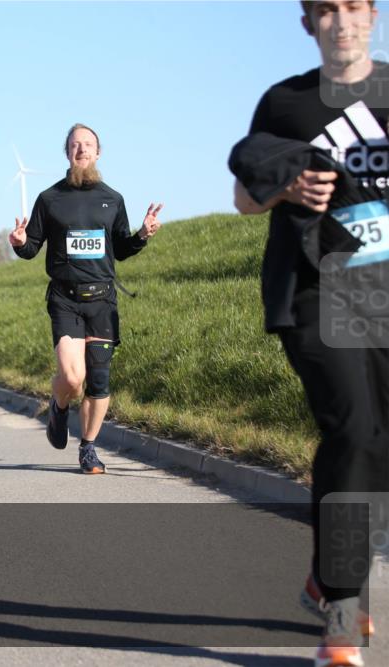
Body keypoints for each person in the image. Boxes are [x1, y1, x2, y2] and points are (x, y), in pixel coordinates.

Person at [232, 3, 387, 664]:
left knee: (373, 444)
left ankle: (328, 573)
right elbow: (244, 195)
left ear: (373, 17)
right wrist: (288, 187)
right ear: (308, 25)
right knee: (352, 428)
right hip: (318, 289)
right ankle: (344, 617)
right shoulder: (285, 102)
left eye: (353, 6)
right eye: (326, 10)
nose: (341, 20)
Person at [10, 123, 162, 475]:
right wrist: (20, 242)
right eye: (75, 145)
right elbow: (32, 248)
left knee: (99, 380)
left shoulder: (113, 198)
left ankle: (89, 448)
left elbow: (121, 249)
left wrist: (142, 234)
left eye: (88, 144)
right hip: (65, 299)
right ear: (67, 152)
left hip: (103, 300)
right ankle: (59, 405)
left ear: (98, 152)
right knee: (72, 377)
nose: (82, 150)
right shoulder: (50, 199)